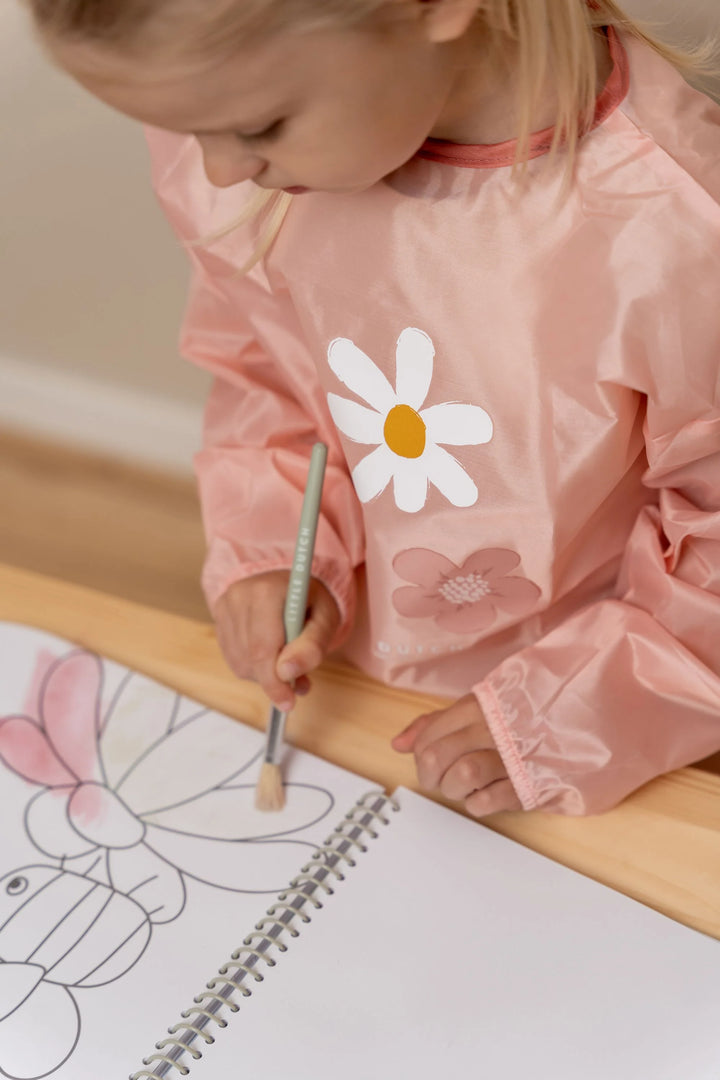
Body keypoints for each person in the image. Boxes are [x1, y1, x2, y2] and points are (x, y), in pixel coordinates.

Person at [27, 0, 720, 815]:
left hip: (613, 727)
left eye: (259, 125)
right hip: (358, 680)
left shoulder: (676, 233)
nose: (216, 172)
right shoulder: (250, 153)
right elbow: (267, 380)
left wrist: (570, 712)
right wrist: (276, 550)